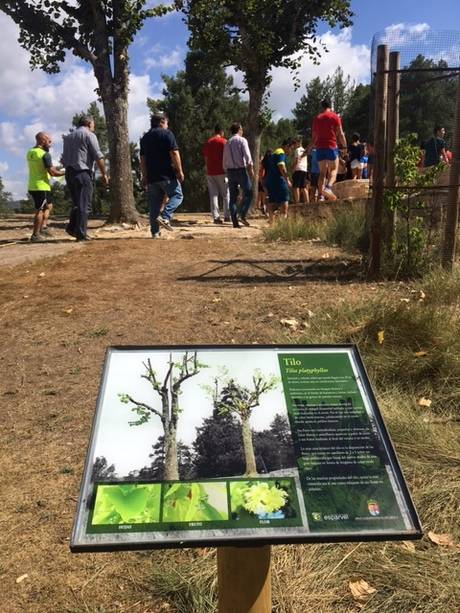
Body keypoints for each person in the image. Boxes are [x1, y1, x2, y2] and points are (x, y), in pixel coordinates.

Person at [61, 115, 108, 241]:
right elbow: (98, 156)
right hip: (82, 172)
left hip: (69, 173)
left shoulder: (68, 137)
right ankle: (81, 233)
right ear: (88, 123)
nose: (94, 126)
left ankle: (72, 228)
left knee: (77, 203)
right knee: (84, 204)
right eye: (93, 124)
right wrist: (104, 174)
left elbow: (63, 159)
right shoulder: (89, 135)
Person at [140, 113, 184, 238]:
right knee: (177, 195)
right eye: (167, 123)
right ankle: (165, 217)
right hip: (166, 175)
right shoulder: (167, 134)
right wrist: (179, 170)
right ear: (162, 122)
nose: (167, 125)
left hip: (152, 176)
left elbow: (142, 159)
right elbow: (174, 153)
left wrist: (144, 176)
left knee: (154, 204)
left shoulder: (145, 138)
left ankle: (155, 232)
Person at [26, 132, 65, 242]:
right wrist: (66, 172)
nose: (51, 144)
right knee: (40, 210)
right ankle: (35, 235)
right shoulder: (44, 154)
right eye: (49, 141)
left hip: (33, 185)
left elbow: (41, 166)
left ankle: (43, 227)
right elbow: (53, 172)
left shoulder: (30, 152)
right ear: (42, 140)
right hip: (41, 186)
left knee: (49, 205)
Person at [312, 99, 347, 201]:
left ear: (322, 106)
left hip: (319, 147)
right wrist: (344, 146)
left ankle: (321, 196)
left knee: (322, 172)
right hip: (331, 146)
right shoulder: (334, 116)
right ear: (330, 106)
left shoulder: (317, 118)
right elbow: (340, 133)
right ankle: (328, 188)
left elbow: (314, 137)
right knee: (334, 170)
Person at [223, 122, 254, 228]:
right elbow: (248, 157)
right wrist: (251, 169)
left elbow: (224, 159)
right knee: (249, 193)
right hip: (241, 170)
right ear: (239, 129)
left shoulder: (227, 142)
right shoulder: (242, 140)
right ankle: (242, 212)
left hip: (230, 171)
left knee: (232, 197)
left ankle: (235, 221)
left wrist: (226, 170)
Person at [202, 124, 230, 224]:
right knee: (226, 194)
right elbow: (227, 157)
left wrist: (207, 168)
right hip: (222, 172)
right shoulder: (224, 142)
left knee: (213, 195)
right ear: (222, 132)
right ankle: (227, 216)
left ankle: (216, 217)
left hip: (210, 172)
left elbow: (206, 158)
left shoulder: (208, 142)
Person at [265, 138, 294, 225]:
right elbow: (281, 165)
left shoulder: (274, 153)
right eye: (291, 148)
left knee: (272, 202)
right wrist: (287, 179)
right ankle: (282, 224)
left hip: (270, 181)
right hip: (278, 181)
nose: (291, 151)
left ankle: (271, 222)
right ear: (286, 146)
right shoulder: (281, 152)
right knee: (284, 202)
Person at [291, 137, 309, 203]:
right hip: (304, 170)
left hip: (298, 169)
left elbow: (296, 160)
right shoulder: (304, 150)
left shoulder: (297, 150)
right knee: (303, 187)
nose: (293, 145)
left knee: (296, 187)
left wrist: (292, 168)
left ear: (298, 143)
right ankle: (307, 202)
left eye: (294, 143)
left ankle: (297, 202)